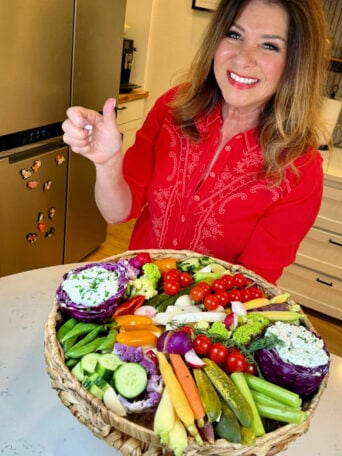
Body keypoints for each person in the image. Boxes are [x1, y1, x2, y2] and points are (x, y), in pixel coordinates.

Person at [62, 0, 331, 284]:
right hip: (136, 294)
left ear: (296, 62)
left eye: (269, 45)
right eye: (234, 34)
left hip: (208, 318)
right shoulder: (173, 108)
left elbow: (254, 283)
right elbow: (117, 213)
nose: (242, 58)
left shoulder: (300, 169)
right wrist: (107, 163)